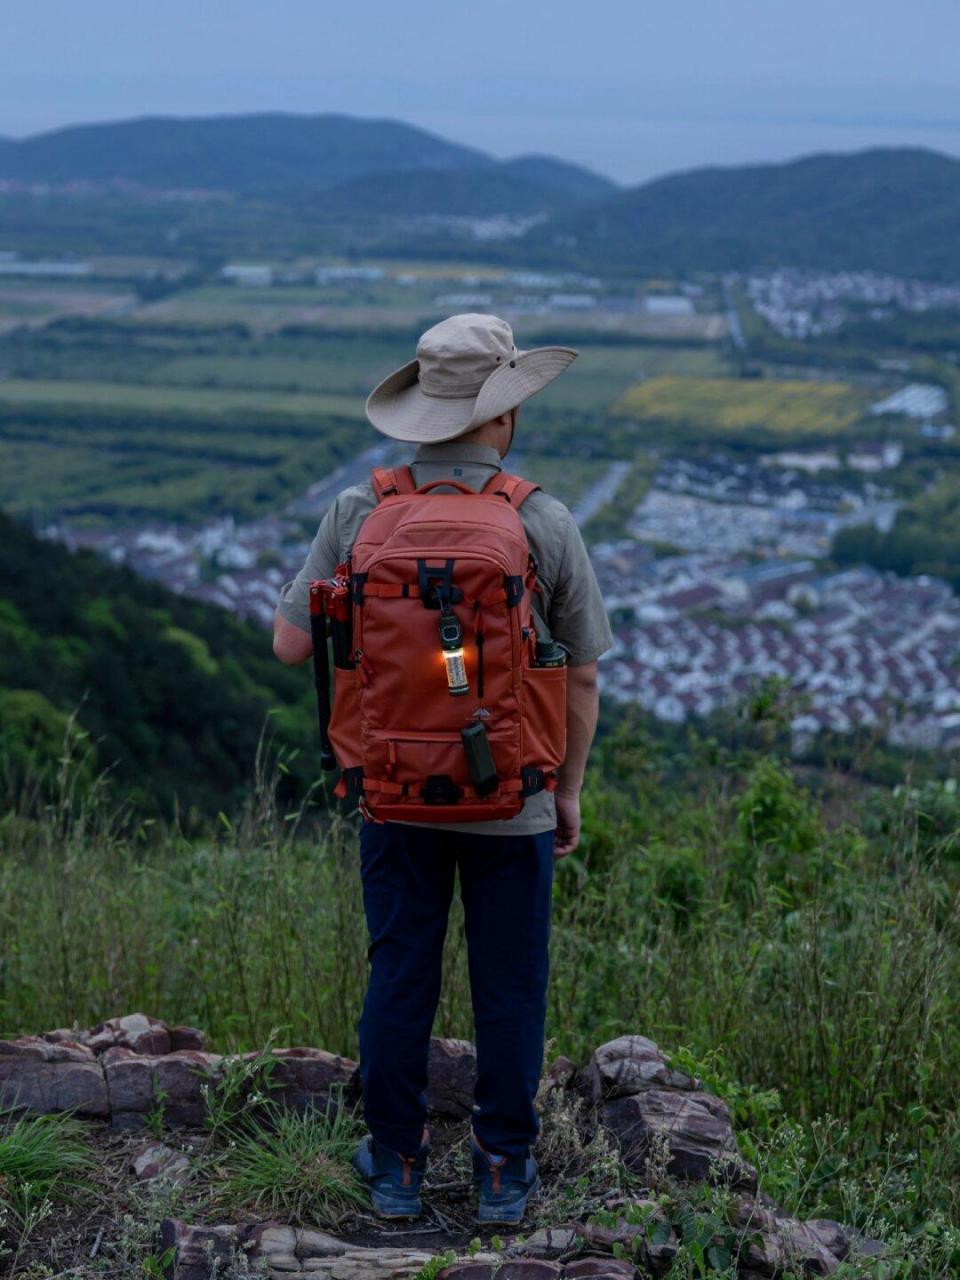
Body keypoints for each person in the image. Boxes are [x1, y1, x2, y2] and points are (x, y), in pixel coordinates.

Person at [273, 313, 612, 1225]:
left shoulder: (359, 511)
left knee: (400, 977)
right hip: (516, 799)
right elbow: (579, 670)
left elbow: (288, 646)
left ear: (422, 416)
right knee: (509, 986)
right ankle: (503, 1169)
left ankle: (395, 1163)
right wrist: (568, 790)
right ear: (501, 418)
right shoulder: (541, 519)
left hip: (391, 794)